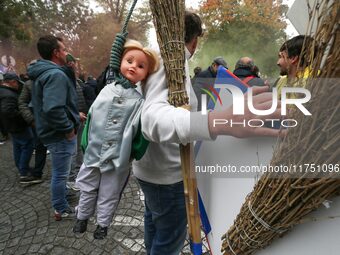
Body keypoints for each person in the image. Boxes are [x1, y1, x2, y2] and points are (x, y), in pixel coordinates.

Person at [132, 11, 284, 255]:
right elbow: (151, 119)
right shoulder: (169, 61)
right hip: (167, 176)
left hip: (150, 169)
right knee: (167, 241)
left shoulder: (150, 58)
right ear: (195, 41)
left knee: (155, 227)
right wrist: (218, 121)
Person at [73, 40, 159, 239]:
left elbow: (141, 130)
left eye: (140, 66)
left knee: (109, 193)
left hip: (117, 158)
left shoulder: (140, 101)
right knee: (88, 187)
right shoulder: (107, 90)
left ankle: (102, 224)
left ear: (146, 74)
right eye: (129, 60)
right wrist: (86, 143)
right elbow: (93, 117)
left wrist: (133, 153)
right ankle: (82, 217)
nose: (133, 67)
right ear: (120, 61)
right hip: (94, 152)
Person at [27, 35, 80, 221]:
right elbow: (53, 108)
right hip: (59, 134)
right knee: (60, 173)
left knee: (61, 172)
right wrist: (68, 129)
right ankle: (60, 208)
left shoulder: (45, 72)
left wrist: (74, 116)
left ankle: (63, 197)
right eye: (64, 49)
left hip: (51, 132)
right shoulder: (54, 74)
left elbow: (57, 104)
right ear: (56, 53)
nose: (67, 52)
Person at [0, 72, 35, 182]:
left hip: (11, 126)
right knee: (28, 144)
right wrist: (23, 114)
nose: (18, 85)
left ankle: (21, 168)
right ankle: (24, 172)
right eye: (17, 83)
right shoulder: (8, 94)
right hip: (18, 125)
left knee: (18, 146)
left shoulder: (3, 91)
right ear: (12, 82)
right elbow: (7, 111)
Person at [18, 66, 47, 184]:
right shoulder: (29, 84)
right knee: (40, 147)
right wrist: (31, 120)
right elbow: (22, 102)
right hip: (39, 122)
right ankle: (37, 173)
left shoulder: (50, 78)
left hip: (52, 121)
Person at [64, 54, 88, 192]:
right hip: (72, 120)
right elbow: (63, 102)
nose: (75, 65)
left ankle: (79, 174)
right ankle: (70, 179)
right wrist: (75, 114)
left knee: (79, 149)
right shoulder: (63, 78)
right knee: (72, 151)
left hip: (80, 119)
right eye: (72, 63)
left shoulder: (74, 79)